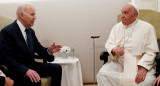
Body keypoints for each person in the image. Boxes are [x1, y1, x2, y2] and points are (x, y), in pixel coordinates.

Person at [97, 3, 159, 86]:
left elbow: (151, 51)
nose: (122, 16)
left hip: (139, 65)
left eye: (125, 13)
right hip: (120, 63)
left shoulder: (148, 28)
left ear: (135, 15)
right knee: (102, 75)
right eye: (122, 12)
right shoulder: (116, 27)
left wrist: (144, 68)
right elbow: (109, 43)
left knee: (145, 82)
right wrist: (114, 49)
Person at [0, 3, 62, 86]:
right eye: (32, 14)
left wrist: (49, 51)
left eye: (35, 14)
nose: (35, 17)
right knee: (35, 80)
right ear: (21, 15)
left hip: (32, 65)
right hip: (17, 69)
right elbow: (6, 58)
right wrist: (25, 71)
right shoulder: (7, 32)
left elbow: (39, 49)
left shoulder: (30, 31)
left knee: (57, 68)